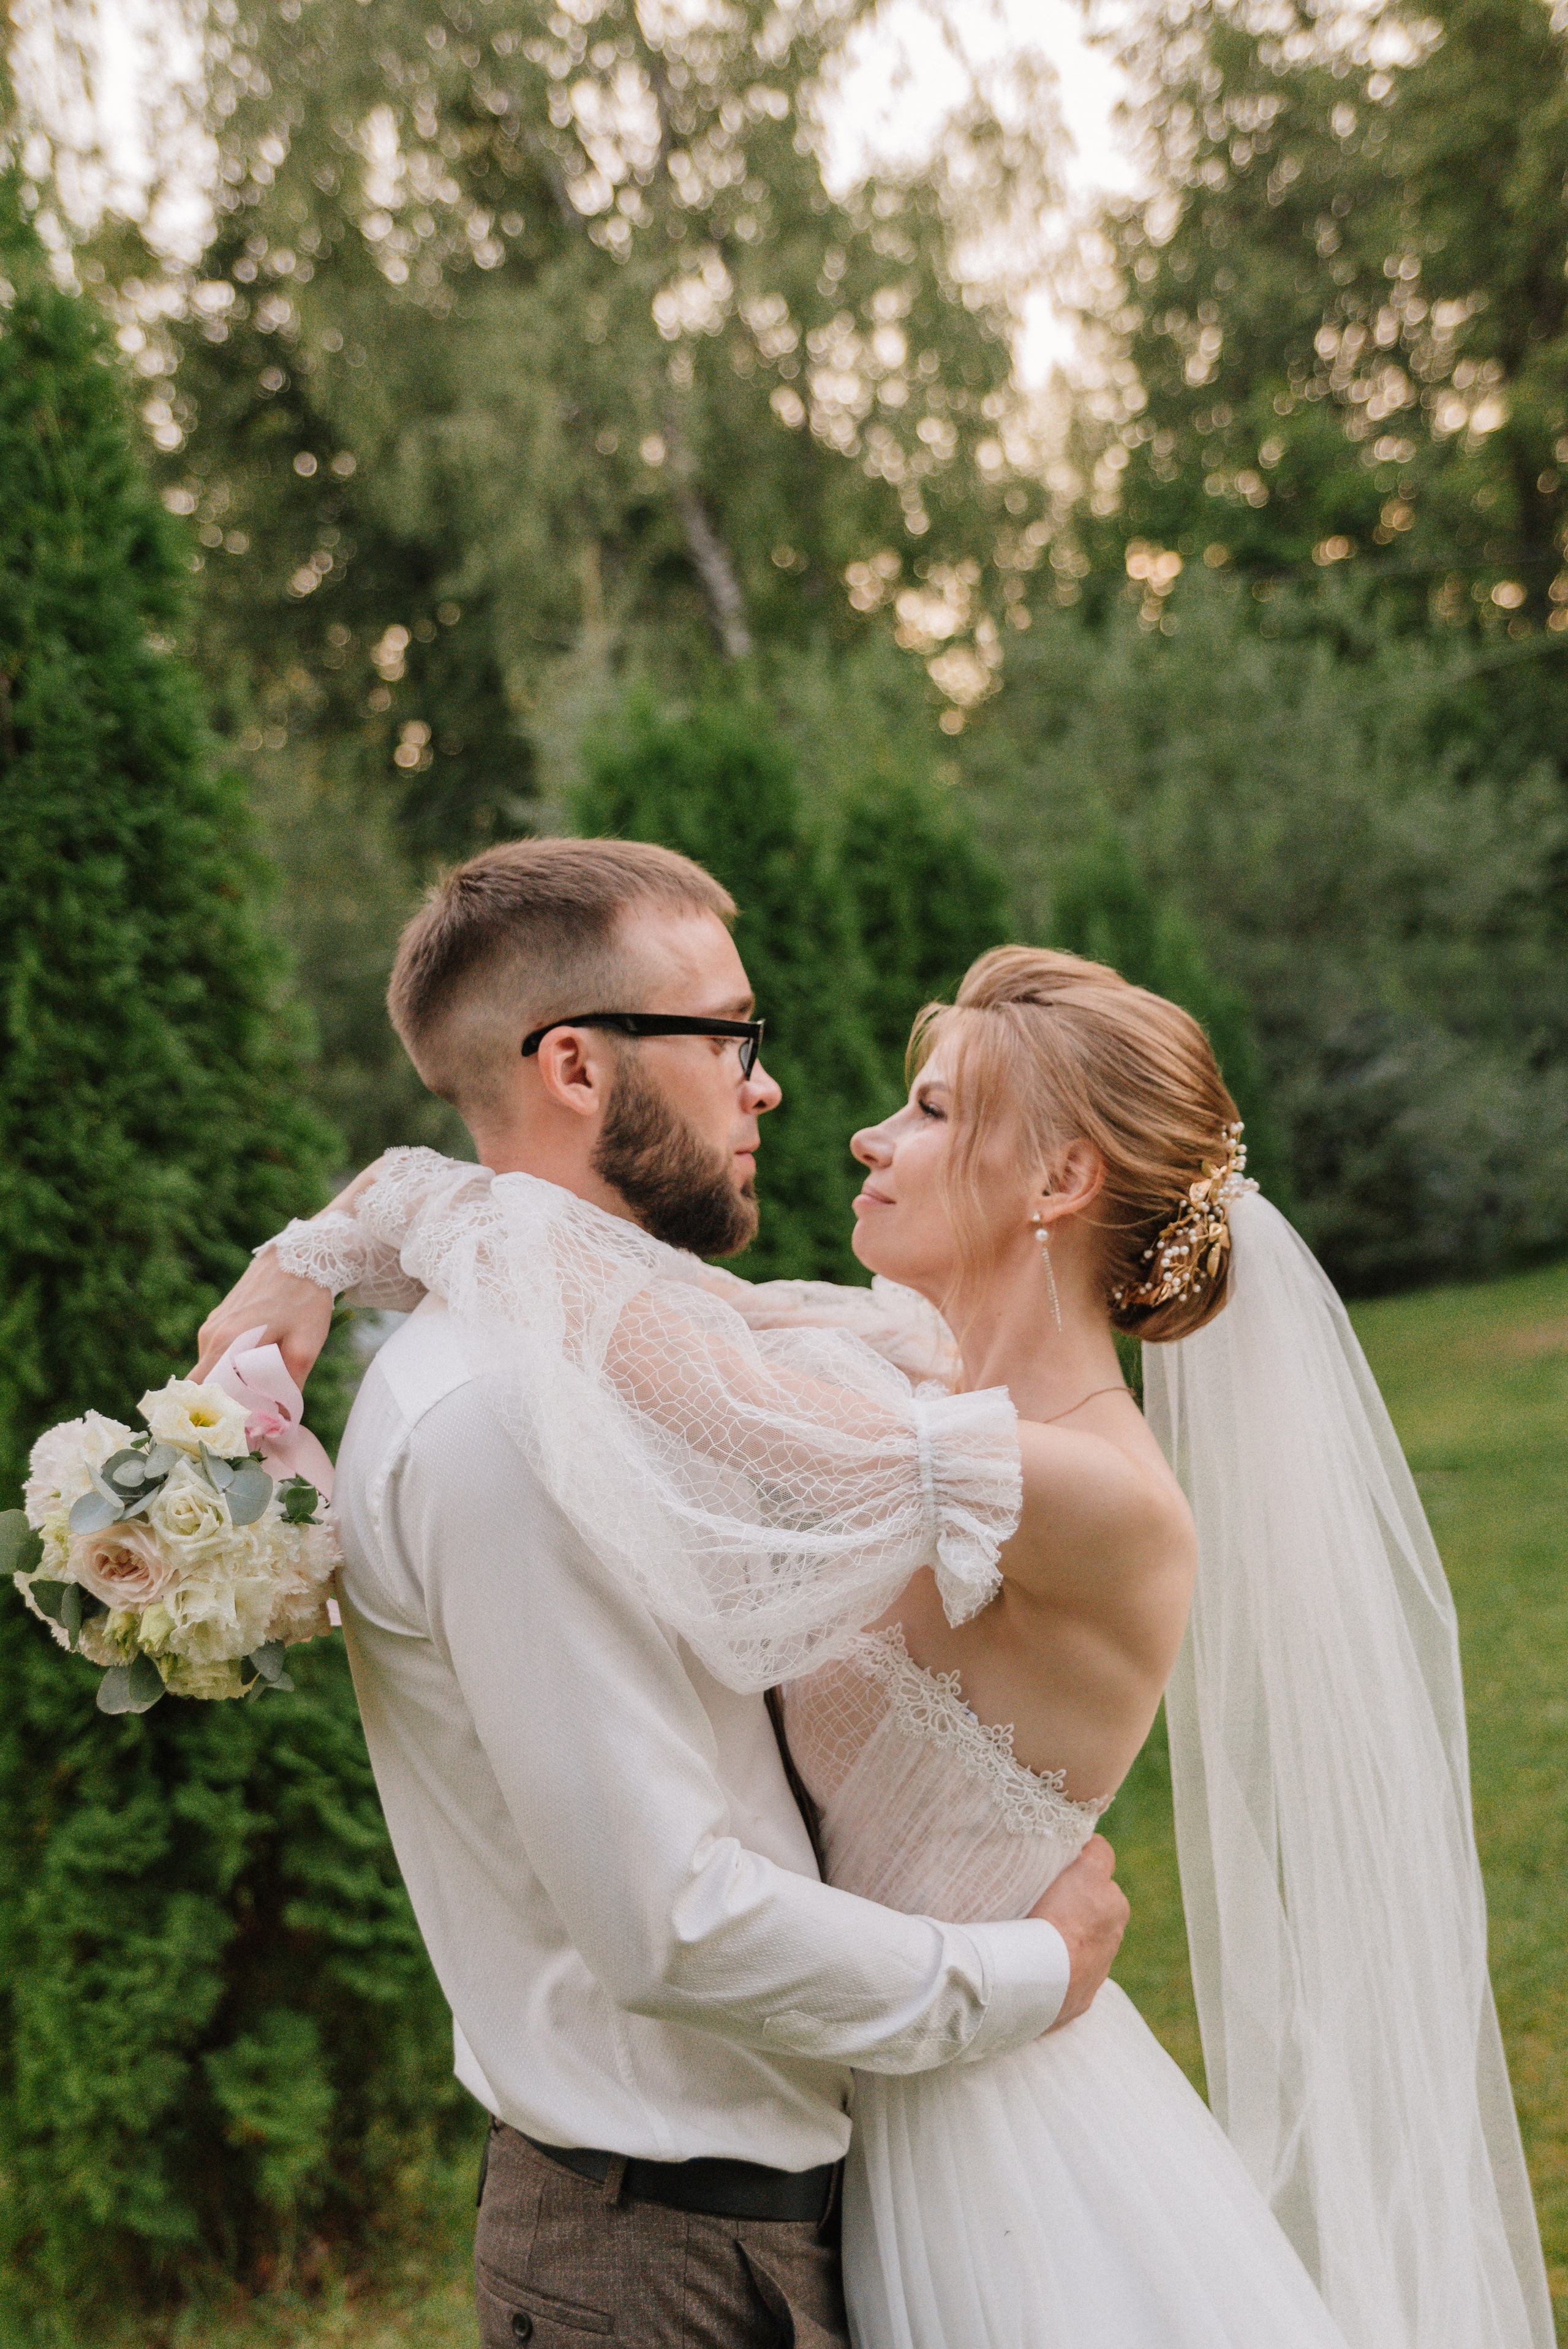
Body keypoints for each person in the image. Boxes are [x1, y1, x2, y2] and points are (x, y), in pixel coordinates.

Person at [208, 862, 1553, 2348]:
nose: (838, 1118)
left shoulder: (1062, 1483)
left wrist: (375, 1218)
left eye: (928, 1107)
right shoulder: (882, 1374)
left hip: (982, 2143)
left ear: (1058, 1182)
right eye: (731, 1032)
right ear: (576, 1065)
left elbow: (686, 1361)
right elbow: (688, 1341)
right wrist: (341, 1236)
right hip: (847, 2127)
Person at [199, 837, 1129, 2349]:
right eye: (729, 1036)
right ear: (575, 1064)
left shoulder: (621, 1352)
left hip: (749, 2216)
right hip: (659, 2262)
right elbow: (672, 1920)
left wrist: (346, 1225)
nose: (768, 1086)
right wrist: (1030, 1970)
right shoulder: (505, 1424)